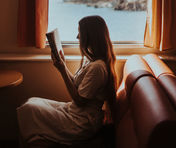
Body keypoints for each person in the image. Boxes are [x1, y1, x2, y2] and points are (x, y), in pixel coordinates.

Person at [17, 15, 117, 147]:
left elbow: (80, 101)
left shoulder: (98, 67)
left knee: (29, 109)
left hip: (81, 122)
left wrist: (63, 71)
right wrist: (62, 65)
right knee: (31, 102)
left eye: (80, 33)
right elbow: (76, 84)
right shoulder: (91, 60)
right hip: (74, 111)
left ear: (89, 36)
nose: (77, 37)